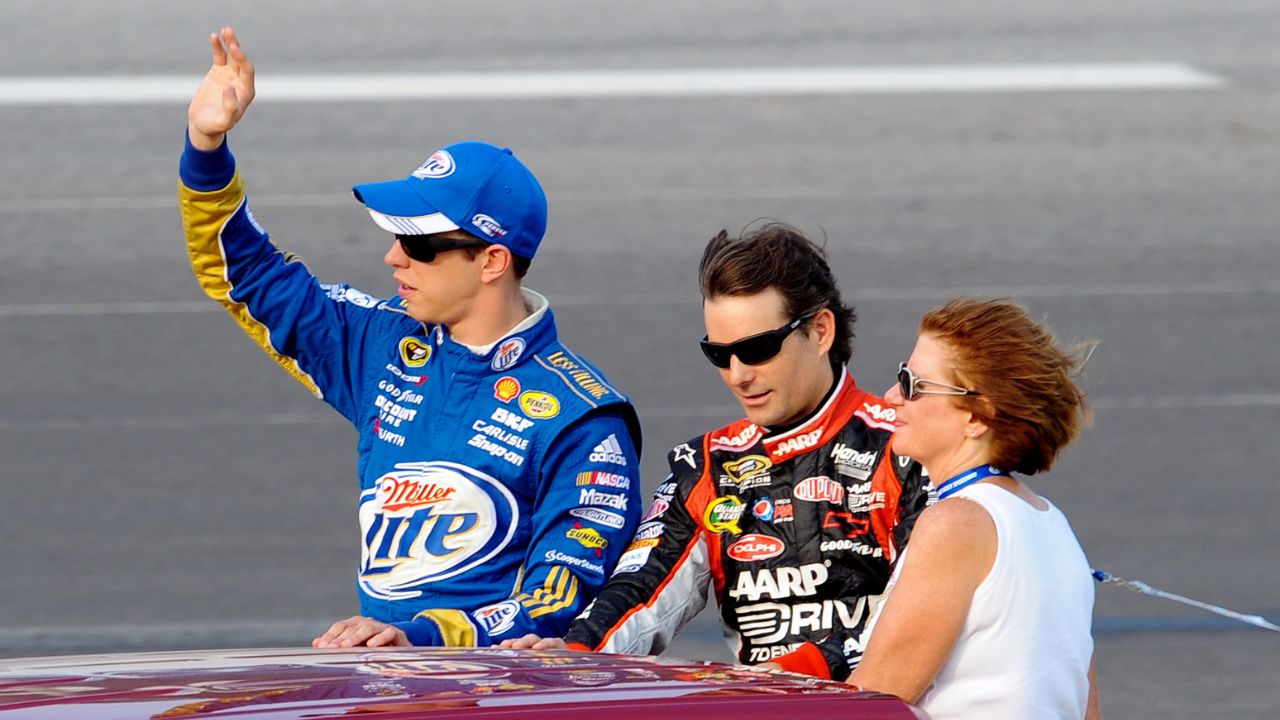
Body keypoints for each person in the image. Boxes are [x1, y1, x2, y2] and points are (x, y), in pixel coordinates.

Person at [178, 28, 642, 649]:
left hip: (495, 695)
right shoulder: (382, 347)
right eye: (397, 236)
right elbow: (247, 279)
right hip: (383, 684)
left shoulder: (582, 419)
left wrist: (422, 638)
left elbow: (562, 603)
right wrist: (207, 148)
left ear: (492, 261)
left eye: (420, 245)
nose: (394, 257)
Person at [503, 223, 930, 681]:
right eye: (720, 354)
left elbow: (923, 612)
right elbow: (643, 587)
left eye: (758, 349)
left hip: (880, 700)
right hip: (762, 704)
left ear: (821, 330)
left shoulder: (907, 445)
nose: (737, 375)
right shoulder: (707, 464)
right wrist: (576, 650)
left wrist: (788, 676)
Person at [847, 297, 1100, 719]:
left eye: (913, 384)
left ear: (977, 417)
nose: (892, 396)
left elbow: (872, 704)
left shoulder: (957, 524)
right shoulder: (1052, 521)